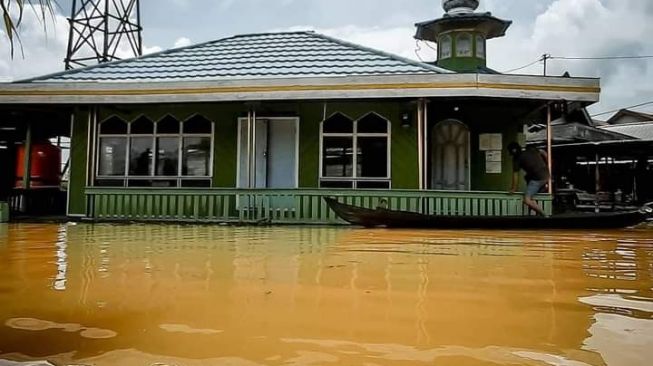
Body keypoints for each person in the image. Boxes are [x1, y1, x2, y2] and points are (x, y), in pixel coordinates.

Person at [507, 142, 550, 216]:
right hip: (547, 175)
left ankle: (544, 215)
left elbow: (515, 176)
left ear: (512, 152)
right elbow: (543, 152)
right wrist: (548, 162)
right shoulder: (531, 150)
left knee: (527, 200)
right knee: (527, 177)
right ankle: (535, 194)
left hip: (538, 179)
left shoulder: (516, 159)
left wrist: (513, 189)